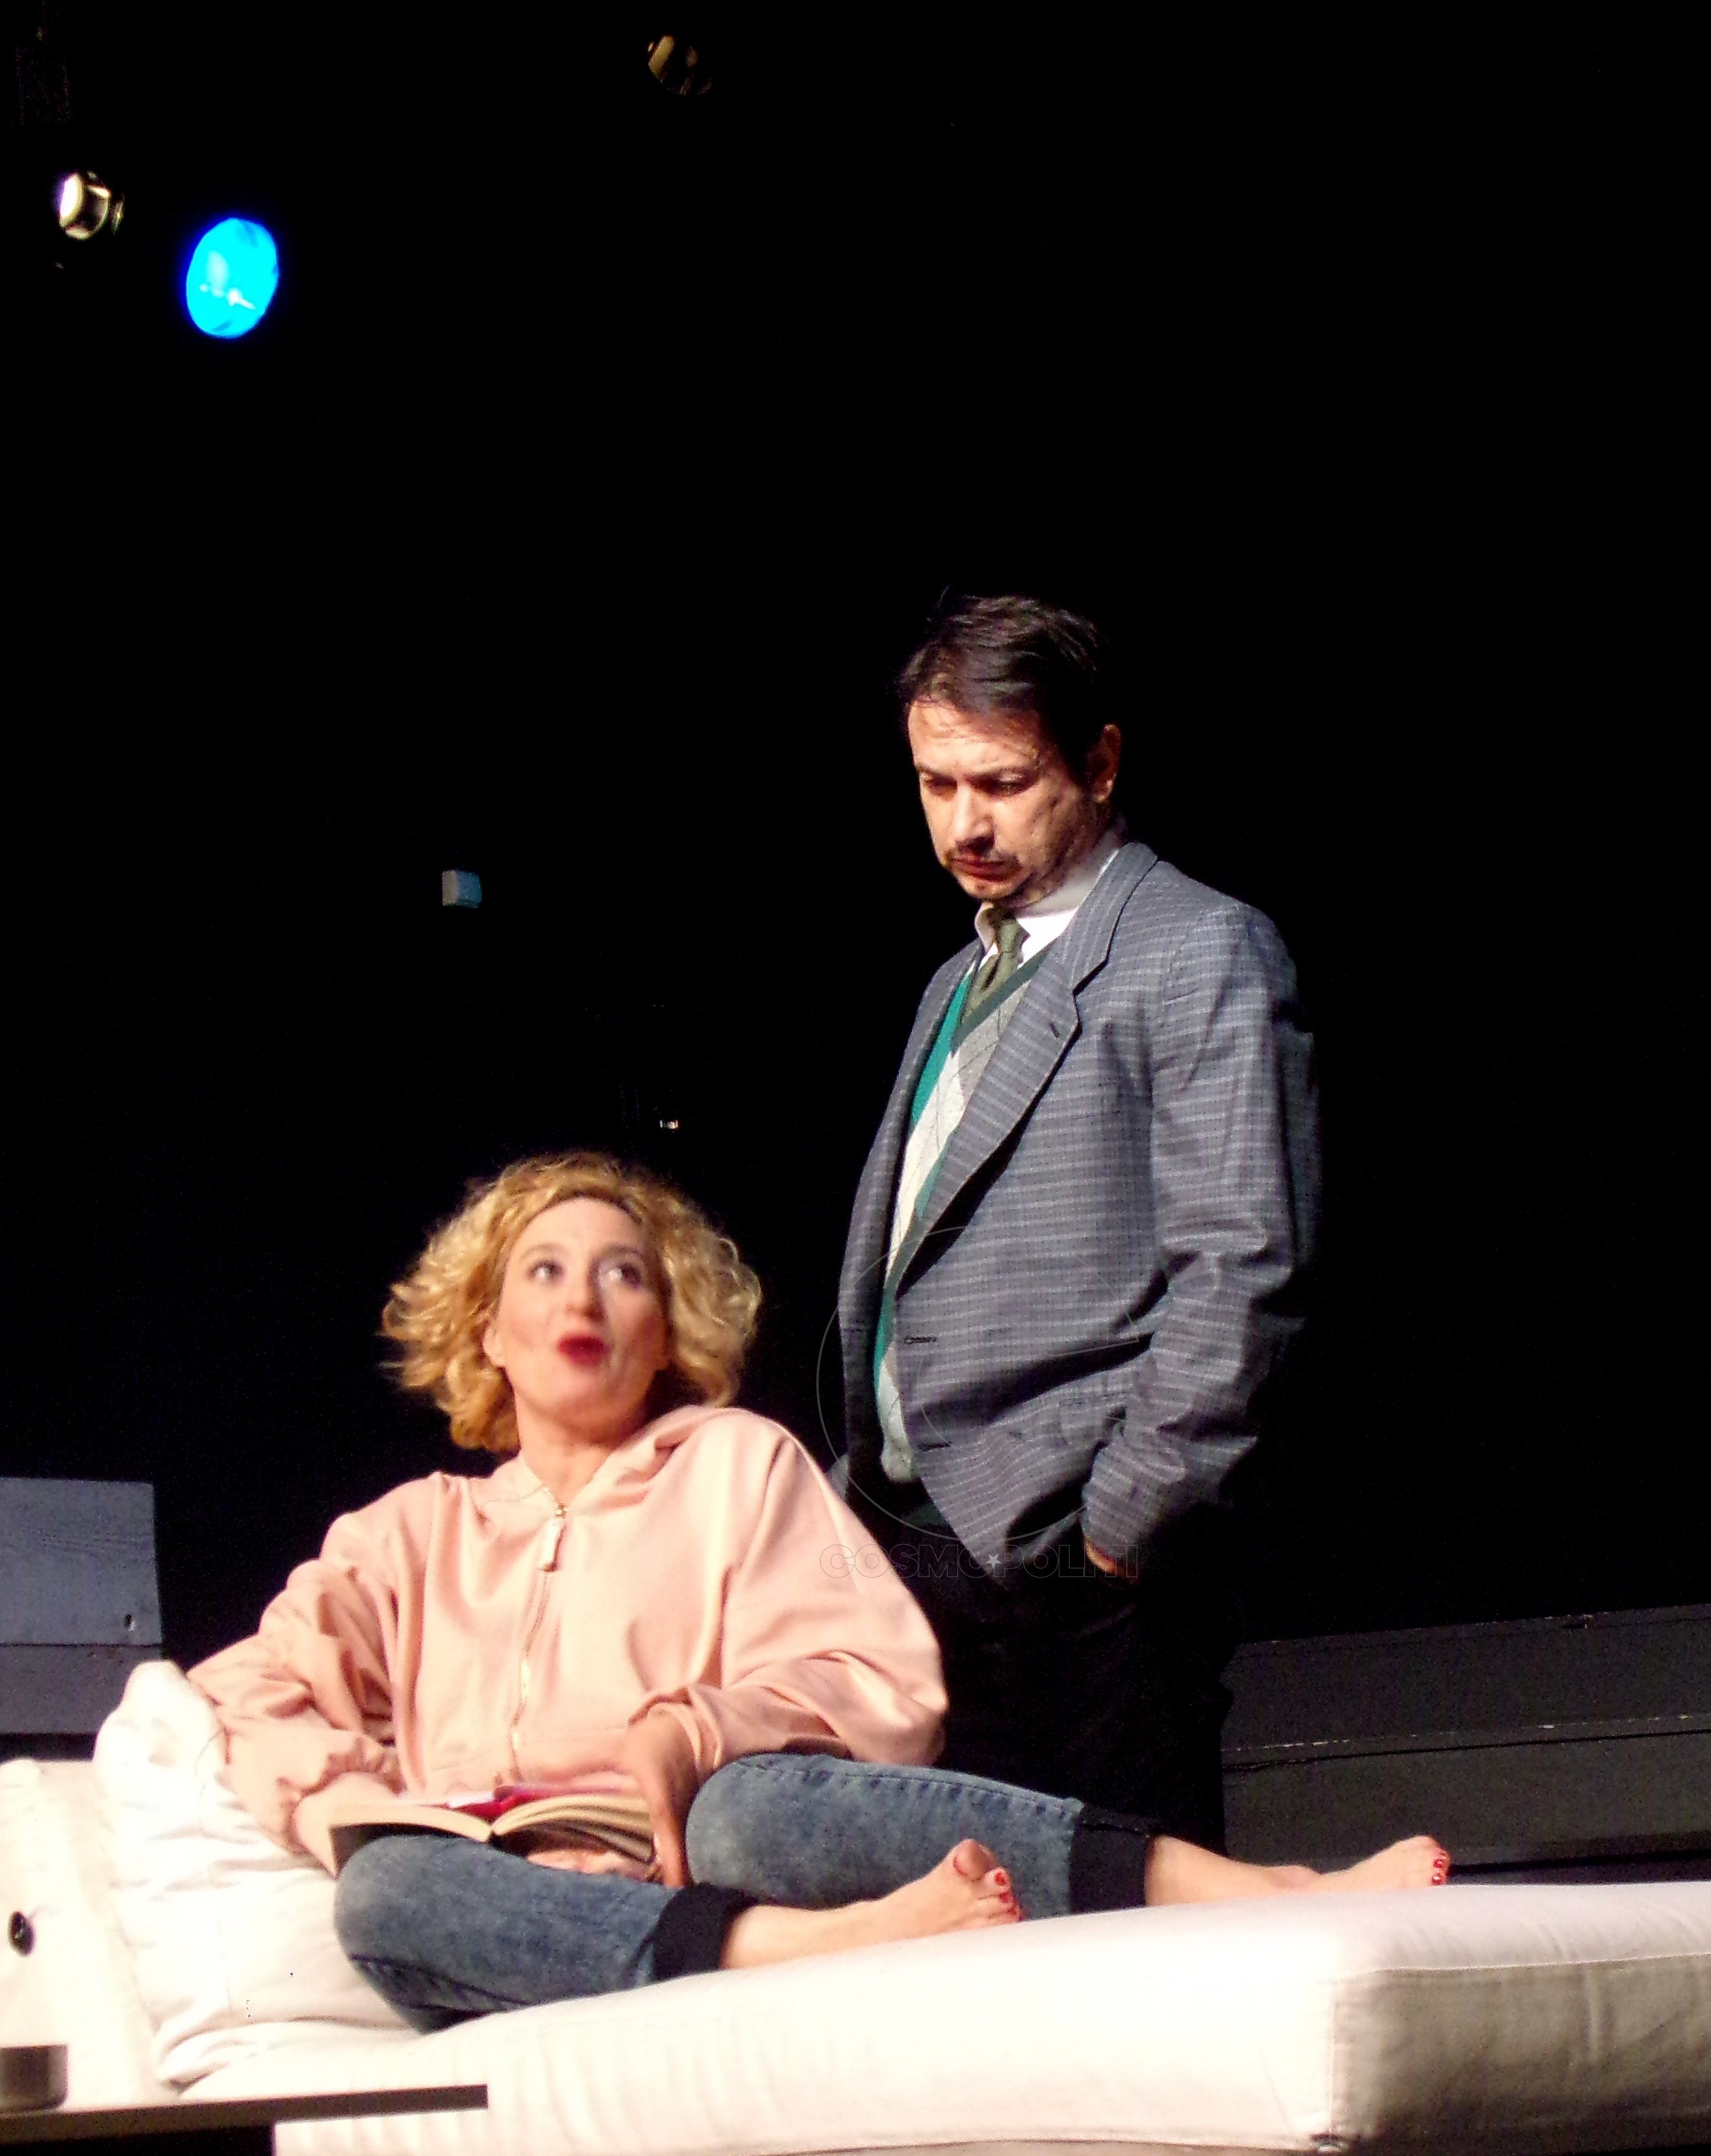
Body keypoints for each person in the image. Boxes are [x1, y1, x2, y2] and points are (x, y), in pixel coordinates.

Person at [192, 1154, 1440, 2031]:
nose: (583, 1296)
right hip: (521, 1911)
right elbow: (247, 1687)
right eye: (547, 1271)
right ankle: (802, 1952)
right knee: (384, 1888)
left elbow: (881, 1683)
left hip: (697, 1859)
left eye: (625, 1275)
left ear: (667, 1333)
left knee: (745, 1807)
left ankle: (1263, 1890)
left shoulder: (739, 1462)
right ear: (488, 1335)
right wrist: (366, 1802)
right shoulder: (408, 1535)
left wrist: (694, 1731)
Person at [837, 593, 1321, 1851]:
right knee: (968, 1928)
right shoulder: (959, 977)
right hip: (918, 1553)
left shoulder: (1197, 947)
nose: (965, 823)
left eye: (1003, 783)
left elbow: (1244, 1270)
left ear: (1099, 764)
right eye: (936, 784)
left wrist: (1116, 1533)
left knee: (1129, 1924)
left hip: (1076, 1560)